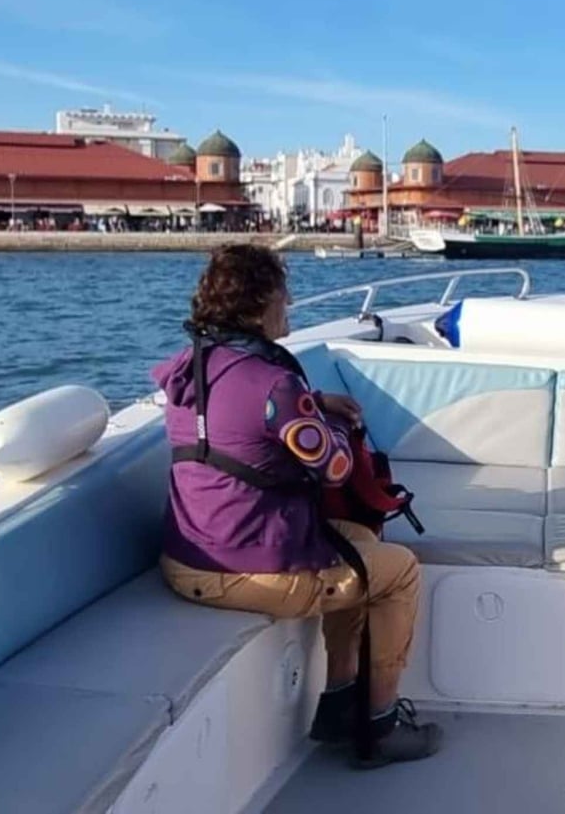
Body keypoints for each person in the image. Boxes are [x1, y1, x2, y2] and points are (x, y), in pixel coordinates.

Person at [154, 244, 440, 768]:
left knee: (360, 544)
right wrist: (326, 416)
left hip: (184, 561)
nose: (290, 303)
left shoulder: (188, 367)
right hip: (251, 573)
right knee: (398, 572)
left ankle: (336, 704)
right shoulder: (276, 386)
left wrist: (314, 405)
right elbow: (336, 467)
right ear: (261, 302)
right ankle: (380, 727)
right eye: (284, 294)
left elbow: (235, 426)